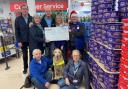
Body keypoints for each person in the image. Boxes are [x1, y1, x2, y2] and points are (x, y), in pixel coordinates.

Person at [15, 5, 32, 74]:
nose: (25, 10)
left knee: (32, 55)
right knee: (25, 55)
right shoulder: (18, 19)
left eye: (26, 9)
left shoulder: (31, 18)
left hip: (31, 40)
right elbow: (17, 31)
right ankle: (25, 67)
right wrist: (18, 41)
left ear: (28, 10)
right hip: (22, 40)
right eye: (23, 9)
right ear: (21, 10)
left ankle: (31, 67)